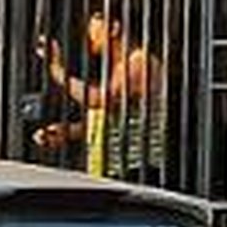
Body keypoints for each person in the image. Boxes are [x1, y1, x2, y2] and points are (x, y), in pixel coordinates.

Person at [34, 13, 166, 182]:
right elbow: (110, 118)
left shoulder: (139, 62)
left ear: (114, 28)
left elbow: (99, 100)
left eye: (93, 25)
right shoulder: (118, 66)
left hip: (138, 170)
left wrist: (57, 70)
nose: (88, 34)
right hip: (117, 168)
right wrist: (68, 132)